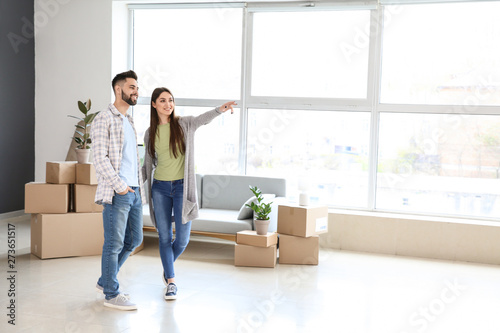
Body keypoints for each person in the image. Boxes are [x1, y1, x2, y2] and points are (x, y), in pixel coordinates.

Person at [142, 87, 236, 300]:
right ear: (154, 104)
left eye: (171, 100)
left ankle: (167, 270)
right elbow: (147, 165)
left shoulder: (184, 124)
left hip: (183, 188)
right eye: (163, 100)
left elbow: (203, 118)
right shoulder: (150, 133)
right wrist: (131, 183)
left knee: (182, 240)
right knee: (164, 237)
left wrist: (220, 109)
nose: (168, 104)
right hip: (160, 188)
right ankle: (172, 282)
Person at [91, 70, 146, 311]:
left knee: (135, 239)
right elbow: (99, 159)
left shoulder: (129, 121)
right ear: (118, 89)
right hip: (118, 192)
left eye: (137, 87)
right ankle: (111, 293)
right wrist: (121, 187)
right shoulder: (104, 118)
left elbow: (132, 160)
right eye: (132, 87)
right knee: (113, 244)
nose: (136, 91)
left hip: (133, 191)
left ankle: (105, 280)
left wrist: (135, 189)